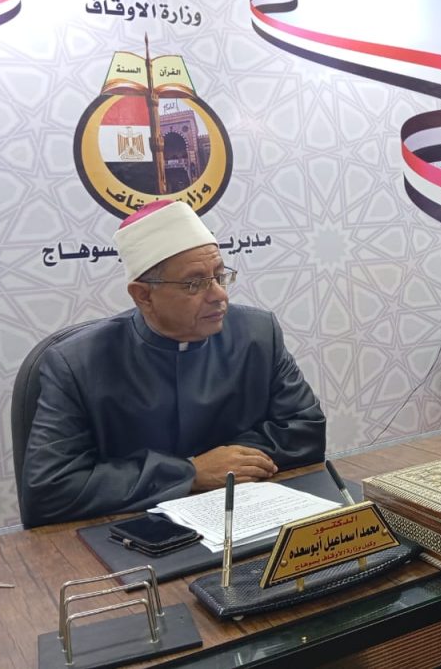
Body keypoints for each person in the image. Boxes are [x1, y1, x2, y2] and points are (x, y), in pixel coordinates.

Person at [22, 200, 326, 526]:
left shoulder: (258, 333)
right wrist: (190, 473)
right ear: (143, 295)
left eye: (219, 276)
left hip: (246, 518)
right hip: (136, 534)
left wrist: (228, 464)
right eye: (194, 283)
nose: (219, 295)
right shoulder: (76, 363)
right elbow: (50, 488)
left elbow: (305, 430)